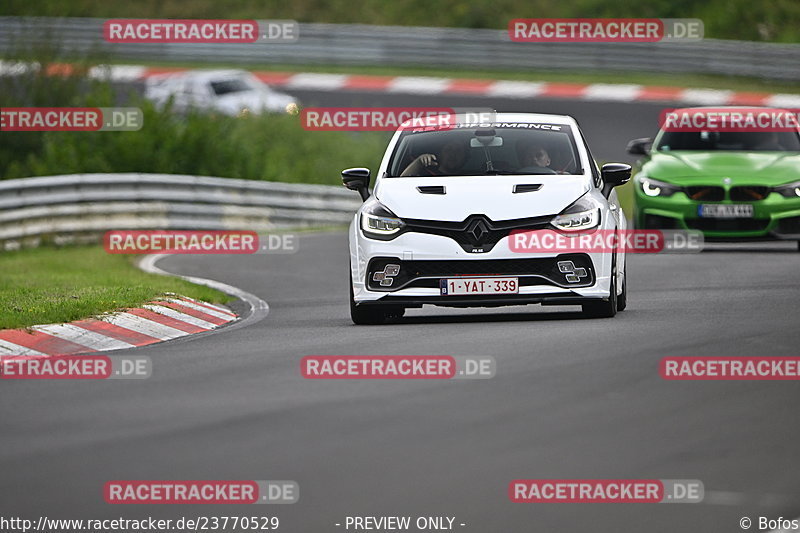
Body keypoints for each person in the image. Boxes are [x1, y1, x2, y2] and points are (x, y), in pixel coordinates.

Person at [401, 140, 469, 176]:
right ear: (440, 154)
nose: (453, 154)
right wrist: (418, 162)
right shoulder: (424, 175)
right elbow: (400, 183)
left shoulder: (470, 178)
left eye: (458, 150)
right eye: (448, 150)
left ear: (465, 156)